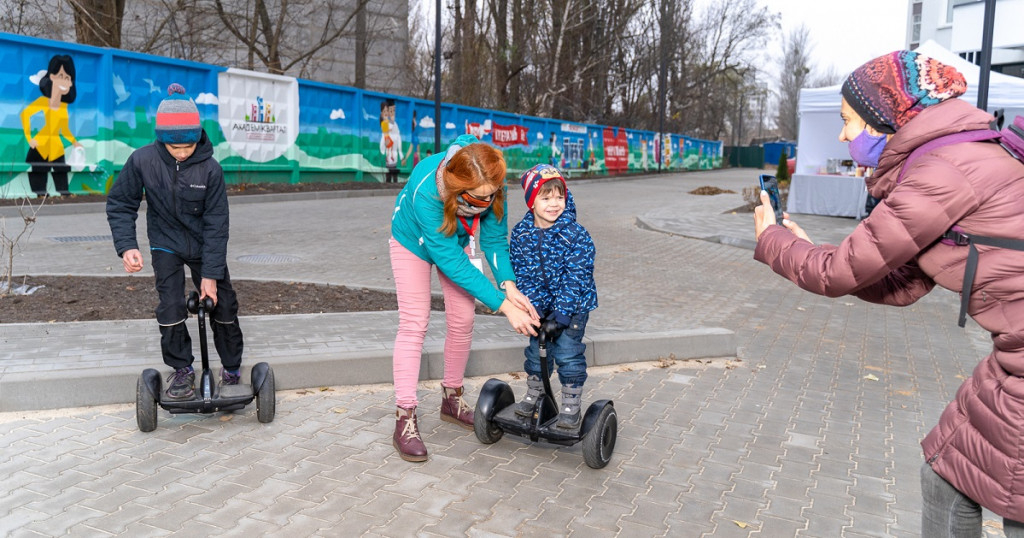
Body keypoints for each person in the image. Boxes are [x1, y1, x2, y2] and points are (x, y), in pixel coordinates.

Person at [752, 51, 1024, 537]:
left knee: (1003, 500)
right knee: (949, 474)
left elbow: (839, 274)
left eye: (848, 122)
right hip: (1012, 358)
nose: (841, 136)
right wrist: (815, 253)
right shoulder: (956, 154)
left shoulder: (943, 171)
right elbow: (905, 281)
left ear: (886, 120)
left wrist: (773, 240)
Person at [389, 134, 540, 462]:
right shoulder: (427, 190)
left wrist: (509, 287)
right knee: (415, 322)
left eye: (492, 196)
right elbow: (452, 264)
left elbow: (496, 239)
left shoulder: (491, 180)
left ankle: (451, 400)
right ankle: (405, 417)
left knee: (464, 318)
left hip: (456, 240)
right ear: (458, 186)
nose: (487, 202)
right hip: (412, 240)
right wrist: (502, 307)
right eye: (480, 198)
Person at [106, 83, 245, 401]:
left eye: (189, 146)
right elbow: (120, 203)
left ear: (198, 136)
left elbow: (217, 225)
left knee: (221, 303)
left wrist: (210, 274)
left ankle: (232, 367)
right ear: (162, 140)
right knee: (170, 305)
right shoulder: (143, 161)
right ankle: (182, 370)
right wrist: (127, 245)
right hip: (165, 242)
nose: (183, 152)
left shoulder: (210, 169)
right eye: (175, 147)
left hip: (202, 243)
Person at [509, 164, 597, 429]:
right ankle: (535, 392)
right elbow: (522, 274)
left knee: (568, 353)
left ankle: (570, 402)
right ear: (531, 201)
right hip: (541, 309)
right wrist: (535, 310)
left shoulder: (576, 235)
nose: (554, 203)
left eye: (559, 196)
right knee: (537, 352)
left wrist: (560, 315)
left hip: (573, 307)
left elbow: (576, 277)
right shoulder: (521, 234)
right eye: (545, 198)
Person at [21, 54, 82, 197]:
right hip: (41, 143)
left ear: (71, 83)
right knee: (39, 169)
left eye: (67, 78)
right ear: (52, 77)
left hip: (55, 143)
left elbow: (65, 129)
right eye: (60, 75)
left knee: (61, 169)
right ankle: (40, 193)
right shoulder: (43, 101)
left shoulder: (63, 106)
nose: (64, 81)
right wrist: (30, 138)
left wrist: (75, 142)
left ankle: (64, 192)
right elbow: (25, 115)